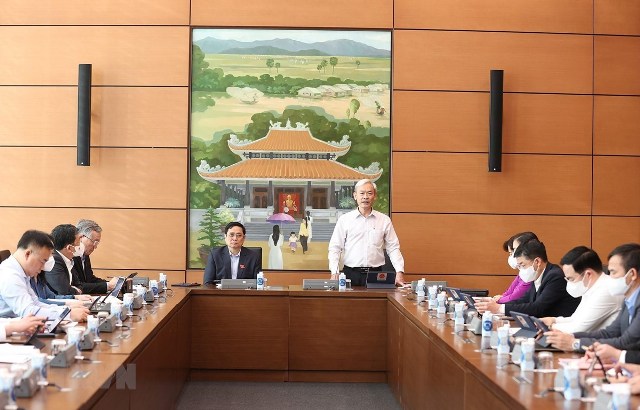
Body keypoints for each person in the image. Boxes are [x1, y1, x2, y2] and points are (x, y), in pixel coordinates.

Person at [544, 244, 640, 353]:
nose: (610, 277)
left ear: (632, 274)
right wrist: (563, 329)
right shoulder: (628, 300)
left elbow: (625, 342)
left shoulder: (608, 290)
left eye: (613, 272)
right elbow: (608, 333)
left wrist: (574, 342)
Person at [328, 179, 405, 286]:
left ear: (375, 196)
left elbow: (393, 248)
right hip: (350, 273)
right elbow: (335, 248)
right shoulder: (344, 220)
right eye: (362, 193)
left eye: (369, 193)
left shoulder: (384, 220)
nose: (365, 197)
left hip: (376, 273)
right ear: (355, 196)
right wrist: (334, 272)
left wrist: (399, 271)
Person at [475, 239, 580, 318]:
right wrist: (496, 304)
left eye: (523, 265)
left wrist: (499, 308)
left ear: (537, 262)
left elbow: (537, 308)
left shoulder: (555, 276)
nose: (521, 270)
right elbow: (524, 300)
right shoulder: (537, 275)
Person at [0, 230, 89, 322]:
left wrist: (67, 310)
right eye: (43, 261)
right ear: (27, 254)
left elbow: (36, 303)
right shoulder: (10, 275)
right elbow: (29, 312)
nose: (42, 267)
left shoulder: (21, 272)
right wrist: (68, 315)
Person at [539, 246, 622, 333]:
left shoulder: (606, 290)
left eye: (571, 279)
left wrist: (549, 326)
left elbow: (577, 329)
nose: (568, 283)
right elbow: (576, 319)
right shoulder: (590, 288)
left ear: (588, 274)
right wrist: (554, 320)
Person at [72, 219, 118, 294]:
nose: (95, 246)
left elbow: (90, 280)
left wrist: (113, 284)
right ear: (81, 237)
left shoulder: (85, 255)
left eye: (97, 243)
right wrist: (108, 286)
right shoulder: (70, 255)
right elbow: (77, 286)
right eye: (94, 242)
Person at [493, 232, 537, 303]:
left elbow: (514, 297)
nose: (512, 257)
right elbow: (509, 292)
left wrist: (498, 301)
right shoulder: (523, 271)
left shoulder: (531, 272)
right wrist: (501, 297)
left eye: (512, 253)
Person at [44, 224, 83, 295]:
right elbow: (64, 291)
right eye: (78, 244)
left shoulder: (69, 260)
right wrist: (75, 290)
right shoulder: (53, 260)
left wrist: (75, 289)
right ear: (69, 248)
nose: (80, 246)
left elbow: (79, 285)